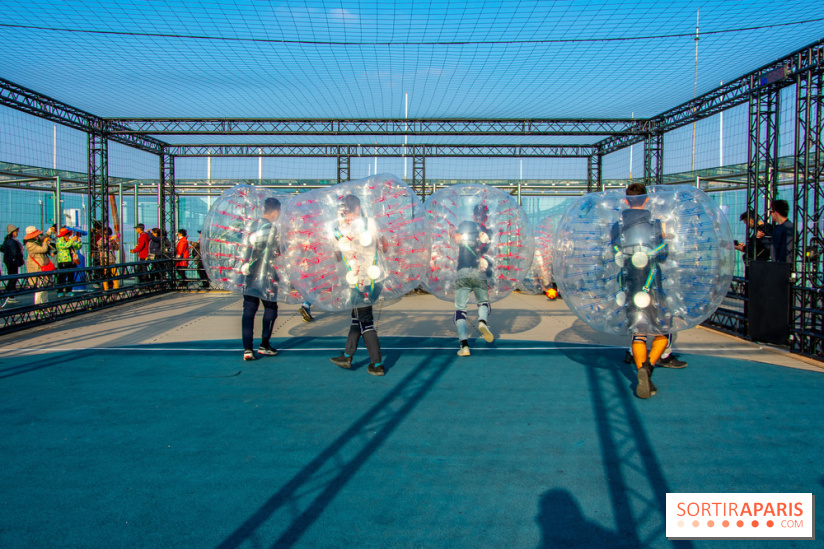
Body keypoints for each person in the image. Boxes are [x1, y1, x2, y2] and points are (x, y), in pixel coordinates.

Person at [611, 183, 670, 399]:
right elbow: (664, 255)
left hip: (629, 284)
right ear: (646, 200)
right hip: (651, 283)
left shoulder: (617, 226)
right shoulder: (655, 225)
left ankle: (641, 370)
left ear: (626, 200)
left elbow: (615, 252)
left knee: (638, 332)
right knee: (662, 333)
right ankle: (648, 368)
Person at [329, 194, 387, 376]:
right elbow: (384, 246)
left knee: (366, 321)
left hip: (358, 282)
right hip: (375, 279)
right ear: (358, 207)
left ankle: (377, 364)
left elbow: (337, 257)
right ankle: (347, 355)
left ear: (343, 210)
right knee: (357, 317)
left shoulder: (338, 230)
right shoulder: (370, 223)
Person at [239, 197, 282, 361]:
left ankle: (248, 349)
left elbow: (244, 249)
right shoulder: (272, 229)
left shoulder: (252, 226)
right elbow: (277, 252)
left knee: (249, 310)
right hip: (268, 276)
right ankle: (264, 344)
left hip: (250, 274)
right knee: (270, 308)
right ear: (276, 211)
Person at [451, 203, 495, 357]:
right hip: (479, 271)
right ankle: (482, 321)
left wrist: (457, 235)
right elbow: (486, 252)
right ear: (486, 216)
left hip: (462, 271)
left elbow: (455, 238)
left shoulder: (466, 225)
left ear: (474, 214)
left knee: (460, 310)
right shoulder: (488, 232)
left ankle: (464, 346)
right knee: (483, 302)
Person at [24, 226, 52, 305]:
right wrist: (45, 243)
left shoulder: (35, 241)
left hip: (43, 267)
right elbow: (43, 249)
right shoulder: (30, 244)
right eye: (36, 234)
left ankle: (45, 304)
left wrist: (48, 232)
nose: (38, 236)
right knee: (40, 289)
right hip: (37, 269)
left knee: (44, 288)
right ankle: (38, 306)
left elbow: (42, 238)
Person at [1, 224, 24, 305]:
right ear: (12, 232)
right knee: (13, 278)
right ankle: (9, 295)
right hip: (13, 262)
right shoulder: (13, 241)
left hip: (8, 261)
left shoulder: (6, 240)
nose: (17, 233)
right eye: (16, 231)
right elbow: (15, 252)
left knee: (11, 278)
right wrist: (19, 255)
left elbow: (2, 249)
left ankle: (9, 295)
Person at [54, 227, 81, 297]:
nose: (67, 236)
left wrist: (79, 242)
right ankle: (60, 291)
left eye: (68, 234)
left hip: (71, 261)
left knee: (70, 277)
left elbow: (77, 246)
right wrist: (72, 240)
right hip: (63, 261)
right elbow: (65, 246)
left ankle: (69, 290)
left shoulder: (69, 241)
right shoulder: (59, 241)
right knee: (61, 277)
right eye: (66, 234)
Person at [767, 199, 794, 263]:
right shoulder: (777, 228)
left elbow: (788, 250)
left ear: (776, 212)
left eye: (771, 212)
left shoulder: (788, 228)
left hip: (783, 267)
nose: (771, 215)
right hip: (777, 266)